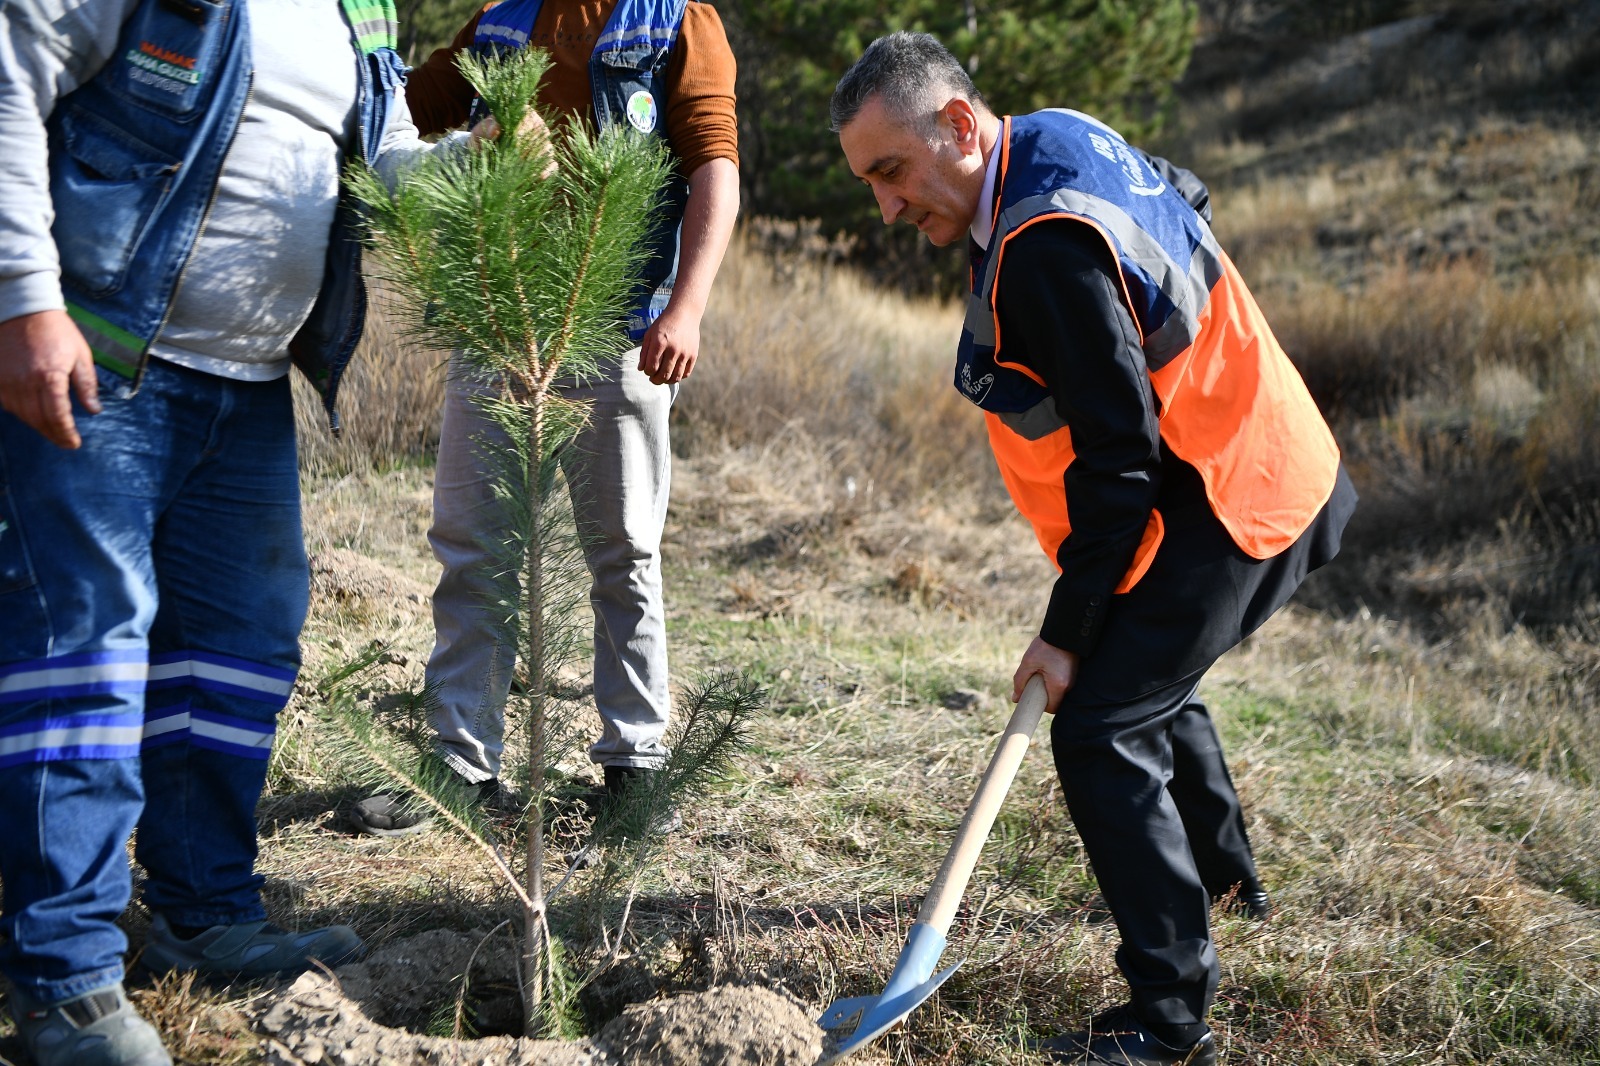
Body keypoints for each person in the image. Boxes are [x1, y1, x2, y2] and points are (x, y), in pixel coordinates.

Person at [831, 32, 1357, 1066]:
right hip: (1265, 454)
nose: (884, 207)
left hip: (1226, 491)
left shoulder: (1043, 245)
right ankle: (1225, 884)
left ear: (958, 126)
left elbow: (1117, 465)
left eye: (890, 172)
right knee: (1150, 676)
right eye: (868, 183)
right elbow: (1183, 193)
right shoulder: (1057, 140)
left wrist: (1063, 632)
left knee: (1102, 727)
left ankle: (1166, 1020)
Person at [0, 1, 443, 1062]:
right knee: (86, 654)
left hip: (242, 386)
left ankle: (203, 913)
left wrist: (496, 183)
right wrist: (21, 297)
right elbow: (9, 66)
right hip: (102, 351)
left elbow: (389, 158)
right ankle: (63, 979)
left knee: (236, 652)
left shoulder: (356, 8)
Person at [348, 0, 740, 836]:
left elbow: (715, 168)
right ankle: (460, 763)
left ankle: (634, 768)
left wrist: (690, 308)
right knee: (473, 548)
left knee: (623, 552)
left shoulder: (675, 19)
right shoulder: (500, 22)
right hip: (498, 324)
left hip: (621, 324)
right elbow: (397, 114)